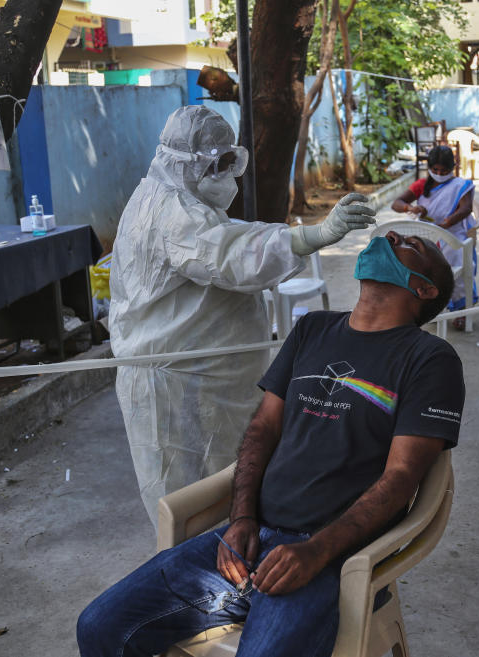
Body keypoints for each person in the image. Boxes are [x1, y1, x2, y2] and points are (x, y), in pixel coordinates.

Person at [79, 231, 465, 657]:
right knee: (100, 626)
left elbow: (401, 477)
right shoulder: (313, 329)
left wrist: (316, 551)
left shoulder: (430, 359)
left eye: (412, 244)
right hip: (248, 540)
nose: (390, 234)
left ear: (423, 289)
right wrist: (241, 517)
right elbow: (263, 428)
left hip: (331, 560)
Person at [109, 106, 376, 528]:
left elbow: (228, 237)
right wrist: (314, 235)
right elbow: (230, 255)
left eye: (228, 161)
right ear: (185, 162)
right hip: (177, 382)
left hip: (202, 375)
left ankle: (224, 575)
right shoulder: (171, 212)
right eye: (215, 165)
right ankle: (196, 587)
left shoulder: (176, 199)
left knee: (226, 492)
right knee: (189, 502)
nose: (225, 174)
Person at [391, 144, 479, 330]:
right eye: (435, 169)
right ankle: (427, 307)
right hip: (428, 232)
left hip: (452, 231)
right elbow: (397, 204)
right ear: (429, 168)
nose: (439, 173)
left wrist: (448, 222)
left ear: (452, 168)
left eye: (444, 170)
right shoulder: (422, 185)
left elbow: (466, 208)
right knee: (416, 263)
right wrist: (410, 208)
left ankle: (461, 308)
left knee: (457, 259)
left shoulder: (461, 185)